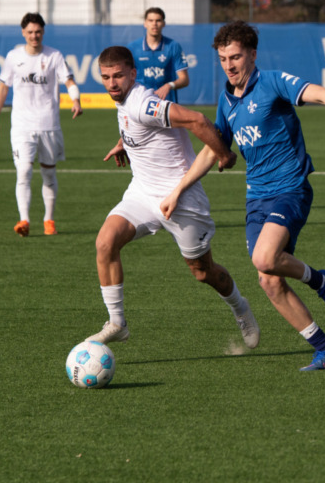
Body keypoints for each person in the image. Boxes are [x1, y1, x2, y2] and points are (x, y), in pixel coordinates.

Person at [210, 21, 325, 372]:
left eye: (235, 57)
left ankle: (320, 280)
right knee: (269, 280)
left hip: (290, 189)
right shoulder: (226, 101)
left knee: (264, 258)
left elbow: (321, 93)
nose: (229, 65)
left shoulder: (272, 81)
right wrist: (179, 189)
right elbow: (215, 147)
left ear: (252, 54)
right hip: (255, 199)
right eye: (222, 59)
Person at [85, 45, 259, 350]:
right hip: (142, 193)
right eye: (106, 77)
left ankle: (239, 306)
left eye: (119, 76)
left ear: (133, 74)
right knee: (105, 242)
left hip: (182, 199)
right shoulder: (126, 100)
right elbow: (138, 125)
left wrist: (224, 154)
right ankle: (117, 323)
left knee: (203, 272)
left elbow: (198, 121)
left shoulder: (142, 103)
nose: (112, 83)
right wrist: (124, 143)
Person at [0, 13, 82, 236]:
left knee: (49, 174)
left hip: (49, 124)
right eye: (30, 32)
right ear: (23, 33)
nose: (34, 36)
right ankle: (24, 220)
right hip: (21, 125)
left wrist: (75, 99)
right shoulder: (13, 57)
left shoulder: (54, 56)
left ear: (43, 32)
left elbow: (68, 80)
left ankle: (49, 220)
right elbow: (3, 88)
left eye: (38, 32)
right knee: (23, 172)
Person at [128, 7, 190, 102]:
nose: (154, 24)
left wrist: (169, 85)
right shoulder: (133, 48)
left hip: (166, 103)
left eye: (158, 20)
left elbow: (184, 79)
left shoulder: (173, 46)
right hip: (141, 103)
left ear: (164, 24)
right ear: (145, 23)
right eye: (151, 20)